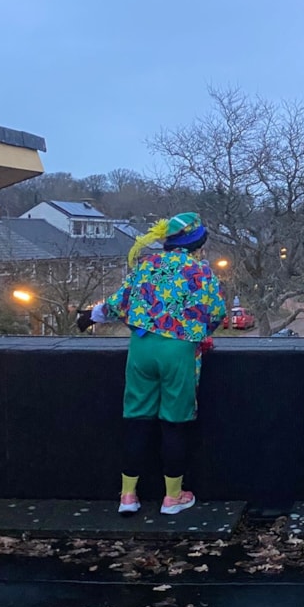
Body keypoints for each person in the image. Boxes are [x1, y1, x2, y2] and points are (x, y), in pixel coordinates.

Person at [77, 212, 226, 516]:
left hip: (141, 349)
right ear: (197, 243)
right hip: (179, 351)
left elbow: (119, 302)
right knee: (174, 423)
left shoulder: (146, 265)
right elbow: (217, 313)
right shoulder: (201, 272)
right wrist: (199, 333)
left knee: (137, 419)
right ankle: (172, 498)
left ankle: (128, 496)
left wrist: (91, 316)